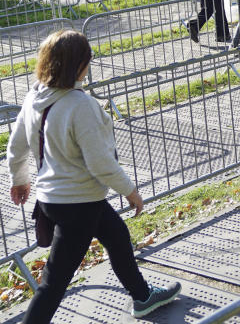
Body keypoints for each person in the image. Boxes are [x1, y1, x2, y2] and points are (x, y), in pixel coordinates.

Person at [7, 30, 182, 323]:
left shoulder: (34, 97)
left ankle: (142, 297)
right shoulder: (81, 106)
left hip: (57, 198)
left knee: (117, 237)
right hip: (78, 203)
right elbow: (100, 163)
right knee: (53, 284)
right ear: (79, 65)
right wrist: (130, 191)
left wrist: (19, 179)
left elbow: (16, 147)